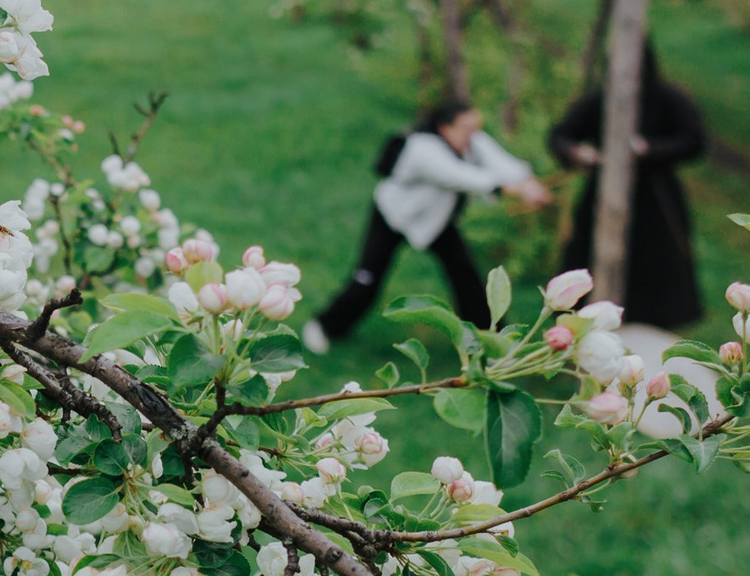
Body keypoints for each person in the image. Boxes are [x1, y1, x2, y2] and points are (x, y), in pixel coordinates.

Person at [302, 101, 552, 354]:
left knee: (468, 280)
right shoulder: (421, 149)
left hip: (437, 221)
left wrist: (529, 184)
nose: (473, 136)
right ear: (445, 128)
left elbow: (502, 163)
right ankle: (324, 326)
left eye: (475, 128)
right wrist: (517, 189)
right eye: (466, 129)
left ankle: (494, 344)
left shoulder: (471, 141)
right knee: (367, 280)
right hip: (393, 217)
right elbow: (460, 176)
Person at [546, 43, 707, 329]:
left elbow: (694, 141)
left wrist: (649, 148)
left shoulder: (668, 99)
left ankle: (653, 329)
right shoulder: (600, 99)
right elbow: (560, 135)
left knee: (656, 264)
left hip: (655, 196)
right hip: (604, 193)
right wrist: (578, 153)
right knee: (592, 256)